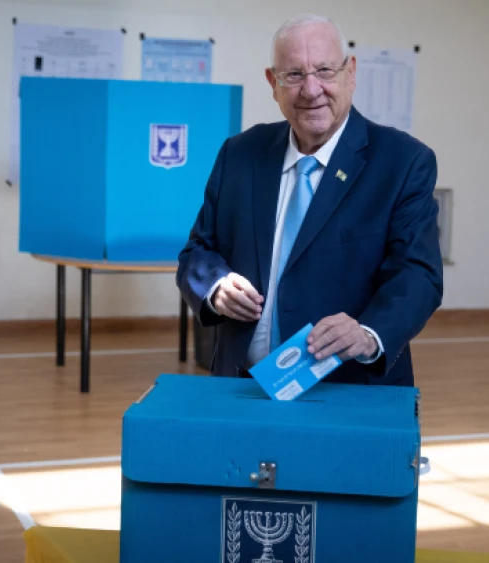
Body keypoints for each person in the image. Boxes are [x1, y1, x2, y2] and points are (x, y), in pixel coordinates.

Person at [177, 14, 443, 387]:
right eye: (295, 75)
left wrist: (369, 332)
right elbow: (198, 251)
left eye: (324, 71)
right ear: (273, 83)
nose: (311, 89)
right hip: (241, 385)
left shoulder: (403, 162)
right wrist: (215, 287)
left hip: (349, 388)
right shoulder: (239, 154)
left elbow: (418, 274)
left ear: (350, 73)